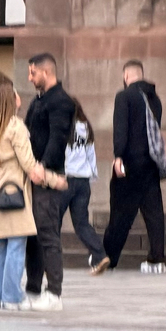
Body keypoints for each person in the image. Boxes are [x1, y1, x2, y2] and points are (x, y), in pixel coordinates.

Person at [0, 81, 63, 313]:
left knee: (1, 246)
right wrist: (55, 180)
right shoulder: (15, 127)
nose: (20, 97)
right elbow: (29, 165)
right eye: (16, 95)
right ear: (11, 101)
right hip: (15, 191)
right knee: (17, 244)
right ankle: (12, 297)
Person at [94, 60, 166, 275]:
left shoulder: (124, 96)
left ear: (126, 76)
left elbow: (121, 128)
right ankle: (156, 259)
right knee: (154, 213)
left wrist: (118, 156)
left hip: (129, 162)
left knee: (120, 212)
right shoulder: (156, 100)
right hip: (150, 163)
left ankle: (108, 257)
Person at [21, 53, 75, 308]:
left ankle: (54, 293)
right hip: (31, 175)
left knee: (47, 234)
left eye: (33, 73)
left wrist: (42, 167)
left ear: (46, 72)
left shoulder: (61, 101)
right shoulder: (37, 101)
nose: (30, 78)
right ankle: (33, 289)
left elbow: (58, 138)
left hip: (47, 177)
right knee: (32, 235)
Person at [58, 99, 105, 268]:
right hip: (83, 180)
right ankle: (99, 254)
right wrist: (92, 177)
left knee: (54, 220)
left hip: (66, 179)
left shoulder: (63, 127)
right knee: (81, 223)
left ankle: (50, 258)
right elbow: (91, 155)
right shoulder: (85, 127)